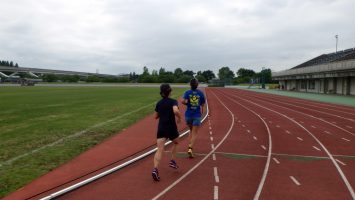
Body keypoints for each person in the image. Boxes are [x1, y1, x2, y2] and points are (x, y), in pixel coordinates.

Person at [152, 83, 182, 181]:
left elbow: (156, 116)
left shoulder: (159, 103)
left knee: (160, 149)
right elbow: (175, 111)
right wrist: (180, 118)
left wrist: (163, 112)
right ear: (170, 91)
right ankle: (172, 161)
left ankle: (155, 169)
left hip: (161, 128)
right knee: (176, 142)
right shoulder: (173, 101)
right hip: (171, 128)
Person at [182, 78, 205, 158]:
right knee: (195, 133)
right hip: (196, 115)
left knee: (191, 131)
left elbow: (183, 101)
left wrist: (188, 104)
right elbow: (202, 105)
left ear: (190, 85)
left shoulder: (187, 92)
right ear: (197, 85)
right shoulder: (201, 93)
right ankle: (190, 148)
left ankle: (190, 144)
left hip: (188, 115)